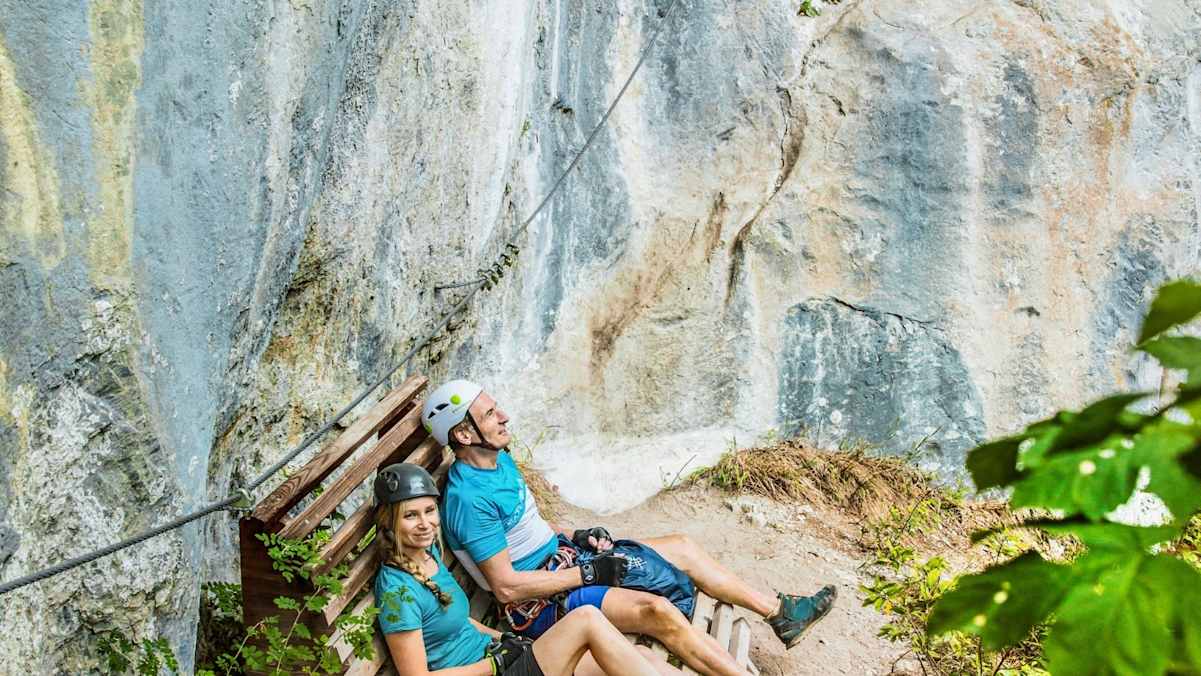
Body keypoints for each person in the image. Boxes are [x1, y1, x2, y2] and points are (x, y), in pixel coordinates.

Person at [424, 380, 838, 676]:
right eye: (490, 414)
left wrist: (576, 535)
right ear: (463, 433)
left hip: (563, 561)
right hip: (541, 607)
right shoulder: (469, 499)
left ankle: (781, 614)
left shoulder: (498, 460)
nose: (504, 417)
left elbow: (528, 527)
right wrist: (587, 573)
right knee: (657, 612)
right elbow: (507, 588)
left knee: (681, 546)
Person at [373, 462, 682, 676]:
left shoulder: (428, 558)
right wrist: (494, 665)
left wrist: (504, 640)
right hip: (492, 671)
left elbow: (459, 622)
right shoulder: (397, 591)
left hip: (500, 660)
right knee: (587, 619)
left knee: (640, 657)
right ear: (389, 522)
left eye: (429, 511)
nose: (425, 523)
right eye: (411, 516)